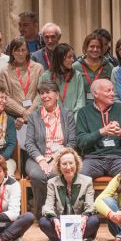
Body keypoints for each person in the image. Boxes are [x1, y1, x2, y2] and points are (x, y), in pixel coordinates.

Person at [24, 81, 78, 215]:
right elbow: (29, 143)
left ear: (57, 95)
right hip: (38, 157)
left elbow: (72, 142)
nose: (44, 96)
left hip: (61, 157)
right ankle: (42, 212)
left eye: (48, 92)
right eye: (42, 93)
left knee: (56, 173)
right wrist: (41, 160)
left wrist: (57, 158)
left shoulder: (67, 115)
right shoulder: (33, 117)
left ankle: (61, 212)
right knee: (37, 175)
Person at [76, 78, 121, 178]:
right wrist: (101, 132)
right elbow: (81, 142)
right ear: (96, 94)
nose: (113, 94)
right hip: (93, 159)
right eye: (108, 91)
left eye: (113, 90)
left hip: (119, 158)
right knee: (79, 177)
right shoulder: (84, 112)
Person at [39, 148, 98, 241]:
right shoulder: (52, 182)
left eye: (71, 163)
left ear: (76, 164)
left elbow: (90, 206)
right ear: (59, 166)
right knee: (43, 222)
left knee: (95, 220)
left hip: (79, 224)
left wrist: (84, 218)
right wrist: (55, 220)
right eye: (64, 164)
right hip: (61, 224)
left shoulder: (87, 181)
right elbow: (48, 206)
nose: (68, 167)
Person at [0, 36, 43, 135]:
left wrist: (29, 113)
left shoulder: (38, 68)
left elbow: (41, 94)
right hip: (13, 118)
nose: (20, 53)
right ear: (12, 52)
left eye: (23, 50)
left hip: (35, 116)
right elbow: (5, 97)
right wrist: (23, 112)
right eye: (17, 50)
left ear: (28, 51)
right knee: (17, 149)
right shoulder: (5, 70)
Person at [39, 43, 86, 114]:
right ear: (60, 58)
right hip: (51, 120)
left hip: (72, 120)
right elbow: (41, 101)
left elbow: (80, 101)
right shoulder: (45, 76)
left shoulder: (77, 75)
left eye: (72, 57)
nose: (73, 60)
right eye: (69, 57)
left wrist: (73, 120)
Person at [74, 32, 115, 100]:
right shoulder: (76, 67)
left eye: (98, 47)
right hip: (83, 106)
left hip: (104, 105)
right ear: (86, 47)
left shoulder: (109, 66)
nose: (95, 49)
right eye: (92, 46)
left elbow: (113, 89)